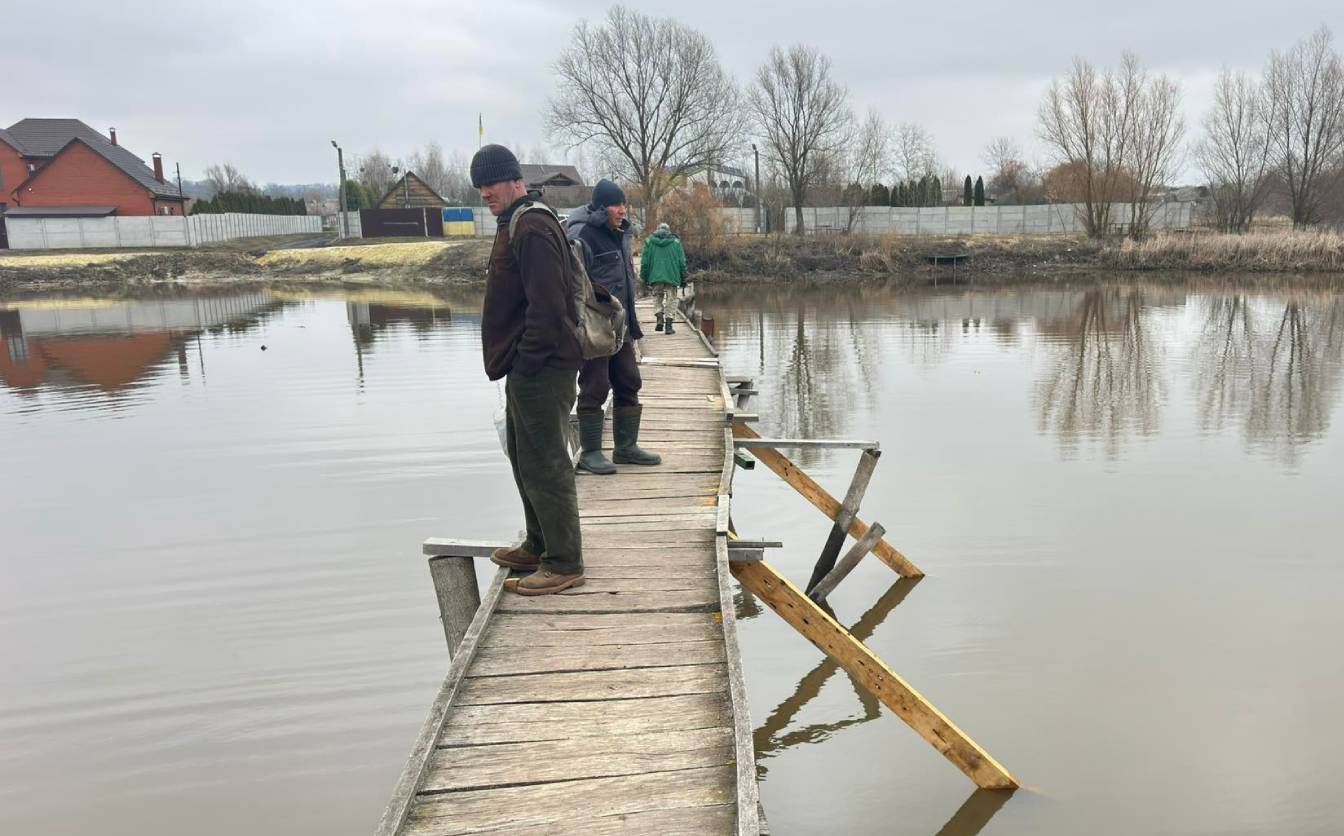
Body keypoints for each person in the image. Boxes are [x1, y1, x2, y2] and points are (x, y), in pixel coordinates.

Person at [472, 143, 585, 596]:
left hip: (542, 368)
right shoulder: (516, 222)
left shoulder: (532, 226)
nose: (484, 193)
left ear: (514, 180)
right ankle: (540, 545)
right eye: (479, 186)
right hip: (527, 367)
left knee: (546, 464)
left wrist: (527, 360)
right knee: (524, 458)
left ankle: (564, 562)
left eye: (491, 183)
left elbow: (549, 305)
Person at [565, 179, 662, 475]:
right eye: (616, 205)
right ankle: (591, 452)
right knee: (595, 386)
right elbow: (574, 286)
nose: (622, 210)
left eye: (623, 204)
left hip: (621, 325)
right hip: (595, 325)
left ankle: (626, 448)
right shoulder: (583, 234)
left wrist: (632, 324)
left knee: (629, 380)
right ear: (601, 206)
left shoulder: (620, 232)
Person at [639, 222, 687, 335]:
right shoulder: (676, 242)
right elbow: (682, 262)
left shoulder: (649, 242)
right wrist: (684, 276)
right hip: (672, 276)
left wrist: (644, 277)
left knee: (657, 297)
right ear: (669, 231)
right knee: (672, 299)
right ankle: (669, 326)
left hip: (655, 276)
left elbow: (644, 262)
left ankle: (659, 317)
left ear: (657, 230)